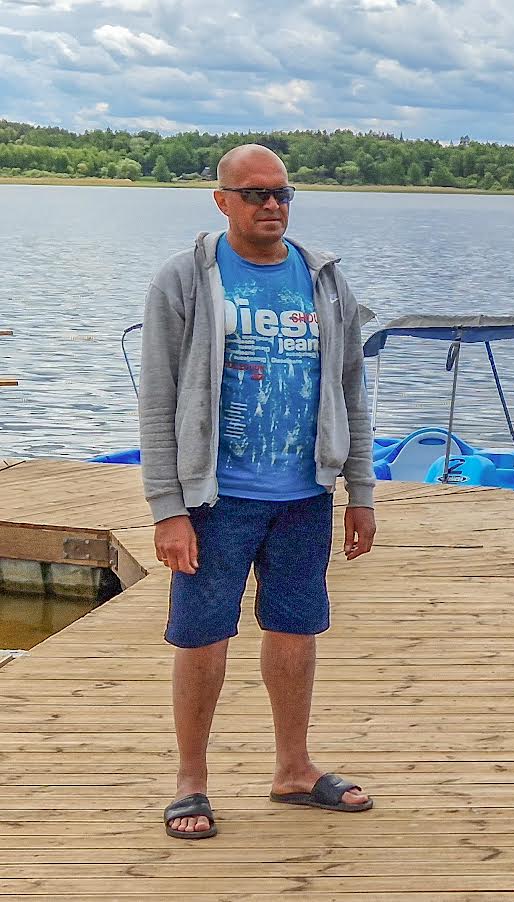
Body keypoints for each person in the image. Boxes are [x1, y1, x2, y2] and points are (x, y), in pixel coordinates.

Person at [139, 144, 378, 840]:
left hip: (306, 494)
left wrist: (359, 491)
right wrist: (168, 509)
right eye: (254, 194)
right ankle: (191, 781)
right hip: (216, 497)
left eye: (281, 193)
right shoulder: (184, 281)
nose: (271, 205)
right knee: (202, 634)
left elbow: (352, 395)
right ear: (222, 201)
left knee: (297, 629)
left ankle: (294, 769)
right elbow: (157, 402)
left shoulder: (325, 280)